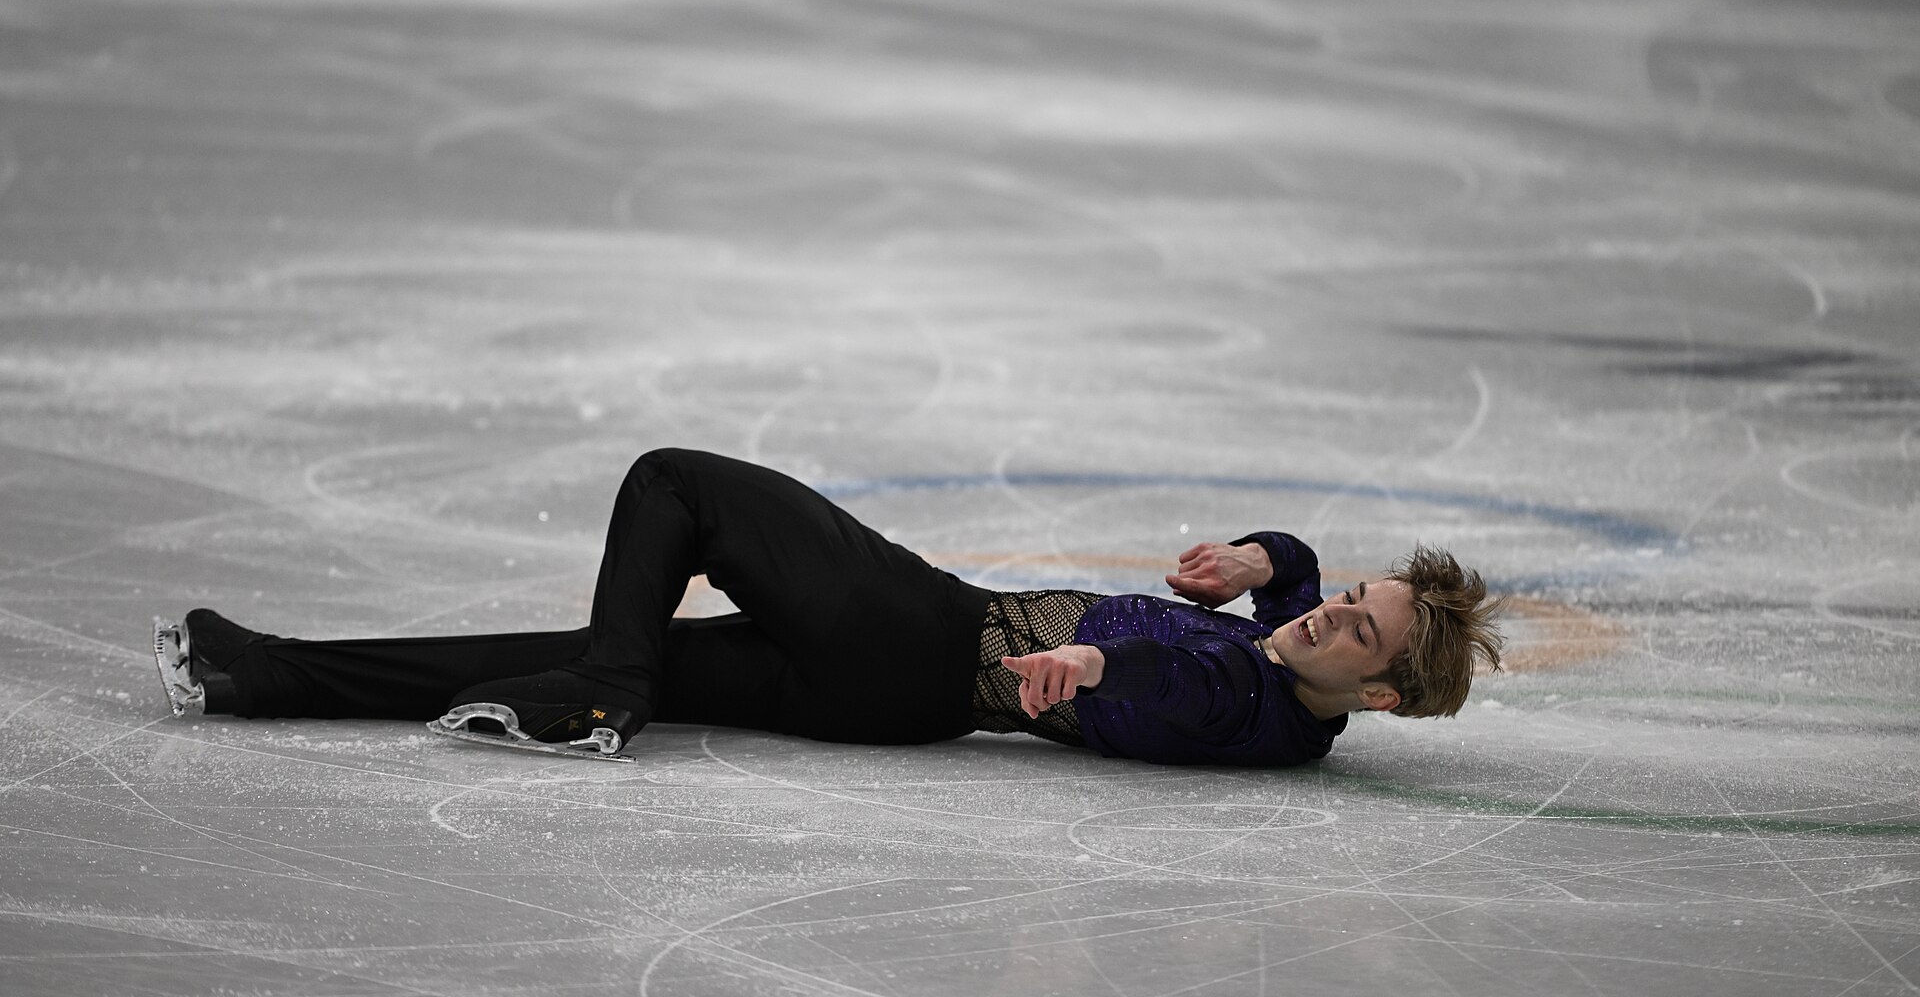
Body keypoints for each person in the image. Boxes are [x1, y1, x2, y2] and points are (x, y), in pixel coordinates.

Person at [154, 448, 1504, 767]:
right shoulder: (1307, 669)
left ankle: (611, 695)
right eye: (1355, 604)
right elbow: (1307, 558)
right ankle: (267, 675)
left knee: (672, 485)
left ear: (1379, 696)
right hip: (892, 701)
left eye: (1359, 634)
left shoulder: (1245, 698)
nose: (1332, 620)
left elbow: (1166, 686)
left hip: (914, 630)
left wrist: (1093, 660)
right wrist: (1267, 561)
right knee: (569, 653)